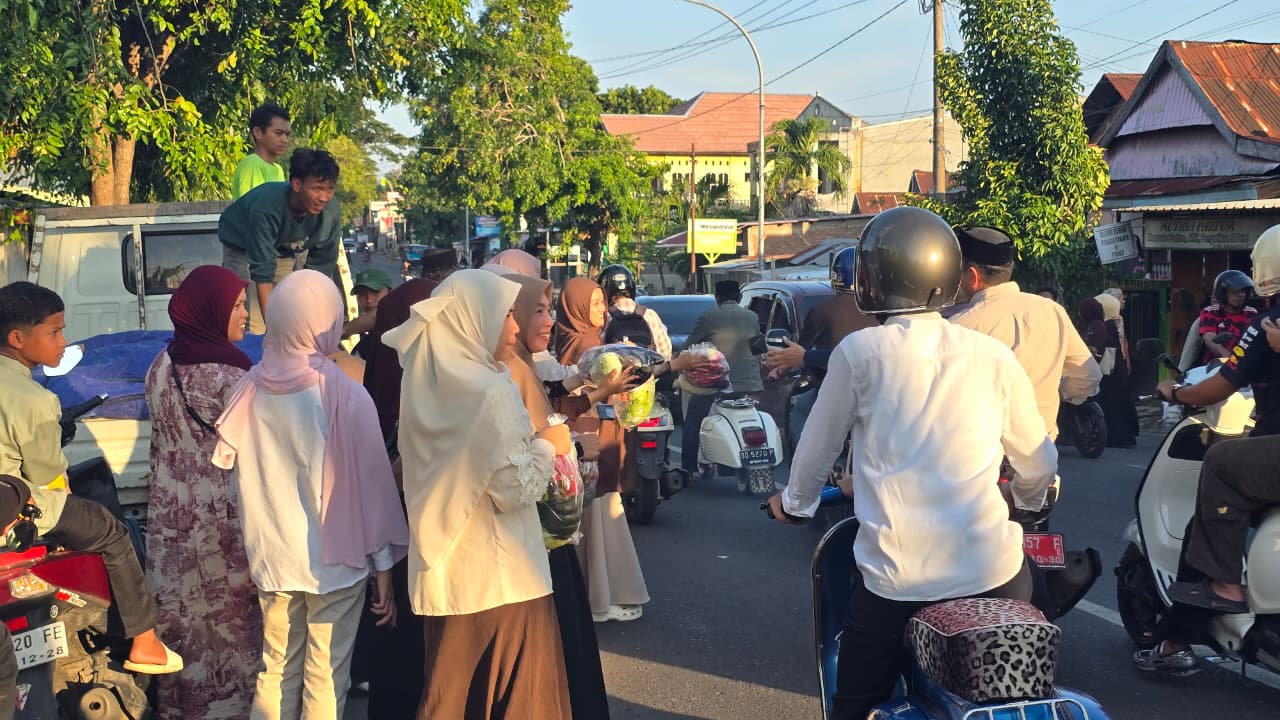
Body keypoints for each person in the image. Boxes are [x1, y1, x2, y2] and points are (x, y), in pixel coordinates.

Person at [764, 207, 1057, 720]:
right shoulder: (991, 356)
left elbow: (815, 450)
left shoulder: (861, 352)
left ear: (872, 280)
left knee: (852, 702)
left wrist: (795, 504)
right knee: (1029, 686)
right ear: (945, 274)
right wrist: (1027, 504)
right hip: (995, 574)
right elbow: (1037, 462)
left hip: (897, 583)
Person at [212, 270, 408, 720]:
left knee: (276, 668)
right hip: (337, 566)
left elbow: (234, 477)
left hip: (274, 559)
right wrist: (383, 570)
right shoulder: (345, 394)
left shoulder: (248, 390)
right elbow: (373, 490)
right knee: (326, 675)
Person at [383, 269, 572, 719]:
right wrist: (549, 443)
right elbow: (516, 489)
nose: (511, 327)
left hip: (444, 576)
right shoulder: (490, 388)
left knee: (450, 698)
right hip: (503, 579)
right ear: (474, 319)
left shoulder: (423, 381)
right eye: (505, 314)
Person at [0, 281, 183, 675]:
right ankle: (145, 640)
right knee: (111, 530)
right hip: (20, 511)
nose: (63, 342)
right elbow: (46, 473)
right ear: (18, 338)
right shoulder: (34, 400)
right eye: (54, 332)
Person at [1136, 225, 1280, 674]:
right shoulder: (1226, 319)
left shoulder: (1268, 323)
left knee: (1218, 474)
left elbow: (1220, 382)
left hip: (1258, 434)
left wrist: (1174, 393)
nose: (1241, 296)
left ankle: (1211, 603)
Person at [503, 273, 638, 720]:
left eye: (548, 308)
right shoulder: (503, 371)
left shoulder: (522, 362)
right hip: (530, 527)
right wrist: (566, 445)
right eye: (533, 310)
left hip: (547, 525)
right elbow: (524, 448)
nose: (546, 320)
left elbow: (556, 407)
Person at [144, 267, 261, 719]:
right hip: (223, 519)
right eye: (236, 305)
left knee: (183, 619)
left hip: (170, 521)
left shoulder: (161, 366)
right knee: (231, 623)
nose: (246, 314)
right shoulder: (232, 376)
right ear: (211, 310)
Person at [949, 227, 1101, 440]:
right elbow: (1089, 375)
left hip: (984, 455)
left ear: (972, 276)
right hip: (1041, 450)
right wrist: (1058, 394)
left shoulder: (959, 327)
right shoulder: (1052, 311)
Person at [219, 148, 343, 334]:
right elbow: (262, 273)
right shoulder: (267, 208)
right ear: (296, 184)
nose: (324, 198)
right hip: (242, 245)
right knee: (255, 323)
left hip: (284, 248)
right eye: (317, 189)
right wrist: (275, 333)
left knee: (288, 310)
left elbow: (319, 272)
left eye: (330, 189)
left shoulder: (331, 212)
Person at [764, 247, 877, 442]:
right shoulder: (882, 312)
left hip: (832, 387)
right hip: (877, 389)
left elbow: (798, 351)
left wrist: (782, 368)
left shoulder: (823, 310)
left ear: (837, 276)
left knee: (800, 413)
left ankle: (801, 468)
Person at [679, 280, 765, 473]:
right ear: (739, 297)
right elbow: (759, 348)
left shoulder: (709, 317)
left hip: (716, 384)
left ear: (717, 298)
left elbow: (688, 346)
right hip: (749, 384)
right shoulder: (752, 317)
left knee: (693, 421)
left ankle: (688, 470)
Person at [597, 264, 672, 359]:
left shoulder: (603, 316)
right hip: (648, 372)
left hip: (615, 372)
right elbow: (665, 353)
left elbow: (597, 353)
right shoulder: (649, 314)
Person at [1094, 292, 1139, 447]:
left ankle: (1115, 436)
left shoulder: (1105, 325)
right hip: (1117, 367)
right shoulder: (1117, 321)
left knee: (1111, 402)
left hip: (1109, 370)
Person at [232, 103, 291, 199]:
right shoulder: (252, 164)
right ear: (258, 132)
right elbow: (254, 208)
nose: (285, 140)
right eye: (278, 133)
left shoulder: (278, 169)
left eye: (287, 135)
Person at [1198, 269, 1257, 365]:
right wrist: (1227, 355)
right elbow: (1209, 338)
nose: (1240, 294)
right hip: (1216, 364)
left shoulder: (1252, 313)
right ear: (1222, 292)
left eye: (1243, 291)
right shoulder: (1210, 312)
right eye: (1235, 291)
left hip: (1245, 364)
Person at [345, 268, 392, 360]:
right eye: (362, 294)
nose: (369, 300)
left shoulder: (400, 323)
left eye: (375, 292)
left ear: (390, 292)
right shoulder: (363, 344)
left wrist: (341, 332)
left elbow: (376, 316)